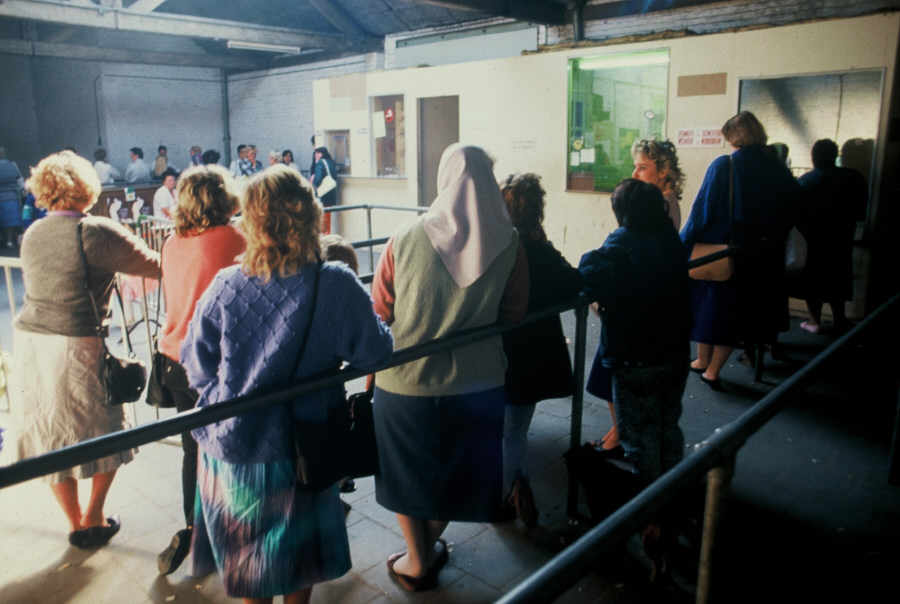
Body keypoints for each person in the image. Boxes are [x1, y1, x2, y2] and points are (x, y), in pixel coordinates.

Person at [181, 164, 392, 603]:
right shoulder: (335, 282)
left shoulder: (225, 285)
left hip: (236, 448)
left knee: (248, 566)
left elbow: (195, 365)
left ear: (250, 222)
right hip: (306, 448)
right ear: (310, 215)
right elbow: (375, 353)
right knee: (301, 560)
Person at [371, 143, 528, 591]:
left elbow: (381, 309)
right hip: (478, 384)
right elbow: (515, 312)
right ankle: (427, 548)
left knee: (406, 472)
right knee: (460, 472)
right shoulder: (511, 242)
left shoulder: (404, 236)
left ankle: (417, 558)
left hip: (404, 383)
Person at [12, 150, 160, 549]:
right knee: (104, 427)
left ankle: (75, 521)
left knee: (51, 432)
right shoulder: (95, 231)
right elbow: (154, 264)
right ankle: (94, 514)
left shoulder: (34, 234)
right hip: (74, 345)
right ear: (86, 187)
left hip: (30, 342)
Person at [578, 178, 690, 577]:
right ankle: (675, 498)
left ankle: (652, 518)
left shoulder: (621, 243)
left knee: (639, 440)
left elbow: (588, 268)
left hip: (636, 357)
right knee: (666, 427)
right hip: (675, 355)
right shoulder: (671, 240)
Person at [154, 164, 246, 575]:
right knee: (231, 449)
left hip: (174, 361)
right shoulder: (234, 238)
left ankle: (195, 530)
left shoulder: (173, 243)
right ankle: (233, 532)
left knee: (193, 450)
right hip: (215, 364)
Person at [681, 111, 798, 388]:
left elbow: (702, 213)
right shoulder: (778, 167)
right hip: (764, 258)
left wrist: (681, 244)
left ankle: (707, 367)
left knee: (713, 309)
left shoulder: (725, 166)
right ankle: (710, 366)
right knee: (740, 314)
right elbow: (793, 209)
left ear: (733, 137)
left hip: (725, 253)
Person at [499, 173, 582, 528]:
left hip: (500, 354)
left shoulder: (499, 250)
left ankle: (506, 489)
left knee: (502, 429)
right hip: (534, 356)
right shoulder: (541, 248)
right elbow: (574, 283)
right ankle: (512, 481)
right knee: (515, 428)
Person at [796, 139, 867, 334]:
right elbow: (861, 211)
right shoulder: (854, 178)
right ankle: (840, 319)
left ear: (814, 157)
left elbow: (796, 213)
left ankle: (814, 321)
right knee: (838, 279)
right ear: (835, 155)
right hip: (841, 238)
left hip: (813, 240)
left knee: (812, 282)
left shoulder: (805, 181)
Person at [631, 139, 685, 229]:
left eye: (642, 168)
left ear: (663, 170)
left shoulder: (661, 206)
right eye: (635, 167)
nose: (634, 175)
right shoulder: (662, 201)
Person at [0, 146, 24, 248]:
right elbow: (20, 181)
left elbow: (19, 181)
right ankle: (8, 241)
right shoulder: (12, 165)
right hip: (11, 197)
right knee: (10, 221)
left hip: (8, 197)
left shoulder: (12, 165)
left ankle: (7, 240)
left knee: (9, 221)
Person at [312, 147, 338, 234]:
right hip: (331, 192)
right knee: (328, 217)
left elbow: (318, 179)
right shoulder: (331, 162)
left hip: (323, 194)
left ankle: (324, 238)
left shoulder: (320, 163)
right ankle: (328, 234)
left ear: (320, 154)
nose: (315, 156)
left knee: (322, 218)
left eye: (316, 154)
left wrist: (313, 180)